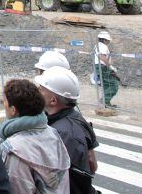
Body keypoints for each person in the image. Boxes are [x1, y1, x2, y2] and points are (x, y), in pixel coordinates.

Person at [0, 79, 70, 194]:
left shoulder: (14, 149)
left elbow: (18, 188)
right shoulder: (52, 132)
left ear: (13, 109)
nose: (3, 105)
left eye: (4, 101)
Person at [35, 66, 99, 194]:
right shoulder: (76, 118)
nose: (37, 91)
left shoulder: (61, 133)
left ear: (53, 100)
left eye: (41, 89)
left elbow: (54, 181)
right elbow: (92, 165)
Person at [92, 31, 119, 107]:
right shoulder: (103, 46)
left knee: (106, 85)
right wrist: (110, 67)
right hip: (103, 67)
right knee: (114, 85)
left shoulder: (97, 46)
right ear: (104, 40)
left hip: (99, 66)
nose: (109, 41)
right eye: (108, 40)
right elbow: (102, 57)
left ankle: (106, 103)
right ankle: (105, 101)